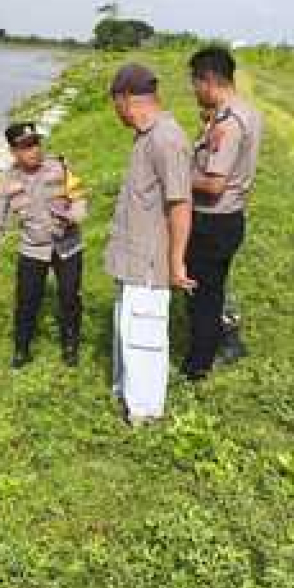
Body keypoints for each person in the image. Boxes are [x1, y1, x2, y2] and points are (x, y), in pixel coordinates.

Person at [104, 63, 195, 425]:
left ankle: (145, 414)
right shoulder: (145, 136)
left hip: (149, 264)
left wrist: (176, 262)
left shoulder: (166, 139)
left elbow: (180, 204)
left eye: (115, 105)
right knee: (128, 329)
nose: (116, 114)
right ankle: (127, 396)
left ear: (126, 99)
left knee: (144, 336)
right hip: (131, 259)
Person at [183, 45, 264, 380]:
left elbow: (214, 184)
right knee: (212, 288)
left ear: (210, 79)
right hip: (230, 217)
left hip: (213, 220)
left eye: (195, 83)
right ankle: (219, 343)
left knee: (202, 295)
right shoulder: (245, 111)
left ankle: (197, 366)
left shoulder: (229, 124)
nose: (194, 91)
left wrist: (176, 177)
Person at [0, 121, 88, 368]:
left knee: (70, 298)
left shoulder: (60, 167)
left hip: (67, 246)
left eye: (36, 143)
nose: (34, 150)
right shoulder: (6, 181)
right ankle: (21, 350)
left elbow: (80, 198)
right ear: (14, 152)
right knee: (27, 301)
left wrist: (73, 216)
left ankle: (70, 349)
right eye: (26, 147)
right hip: (32, 248)